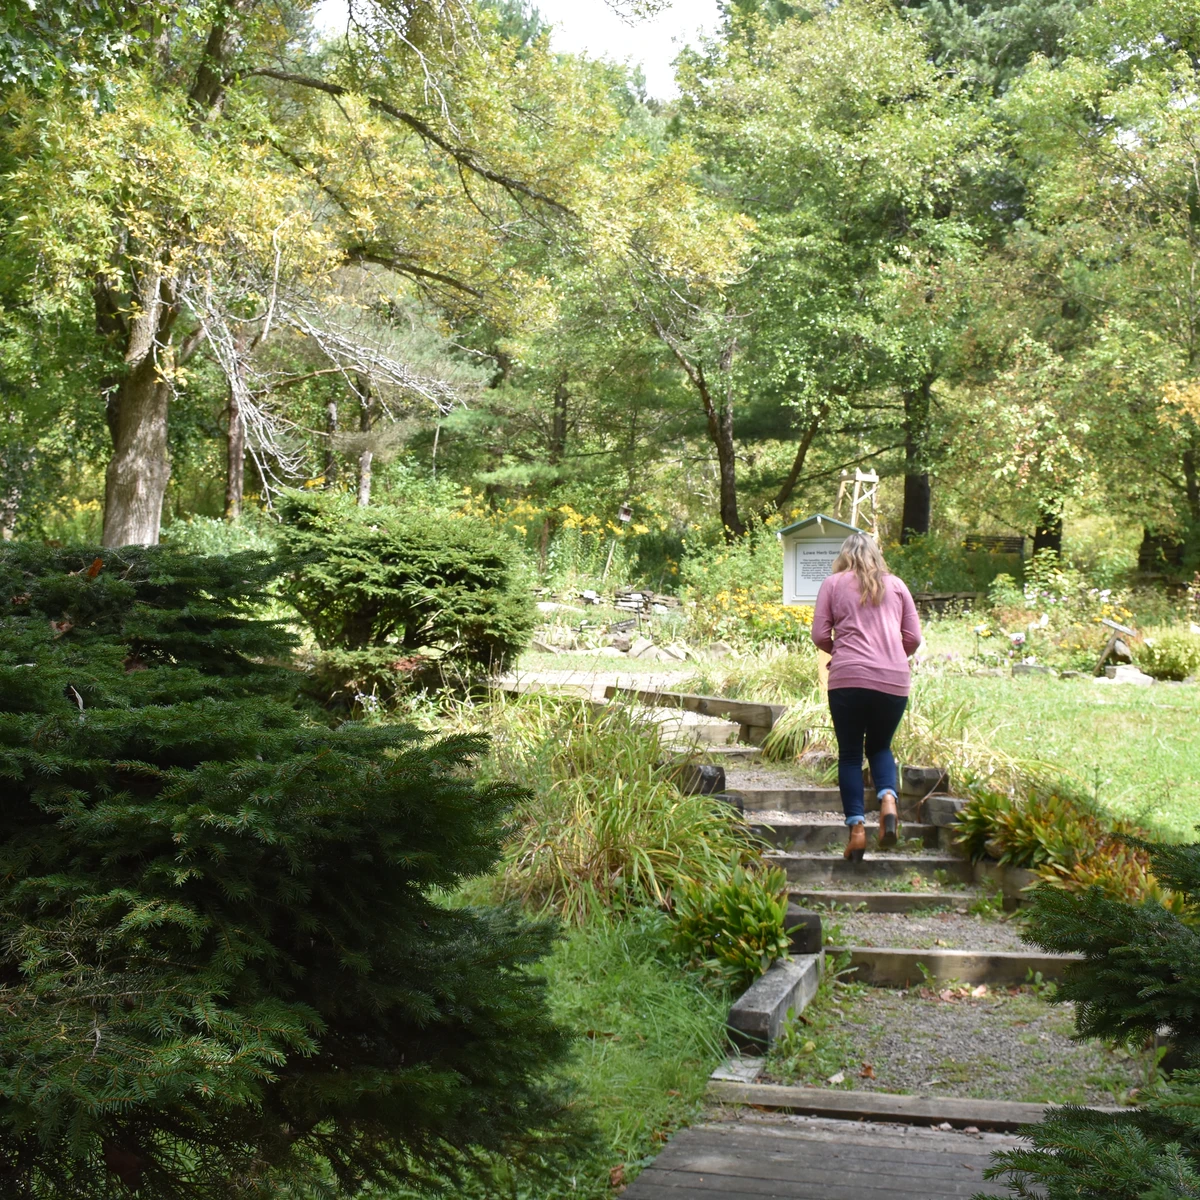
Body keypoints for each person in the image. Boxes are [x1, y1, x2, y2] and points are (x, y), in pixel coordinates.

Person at [811, 532, 922, 861]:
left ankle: (857, 831)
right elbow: (913, 638)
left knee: (849, 755)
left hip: (847, 679)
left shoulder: (833, 584)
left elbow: (819, 634)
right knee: (880, 746)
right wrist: (890, 655)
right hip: (893, 680)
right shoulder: (897, 585)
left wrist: (842, 652)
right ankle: (888, 800)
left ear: (844, 556)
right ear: (876, 555)